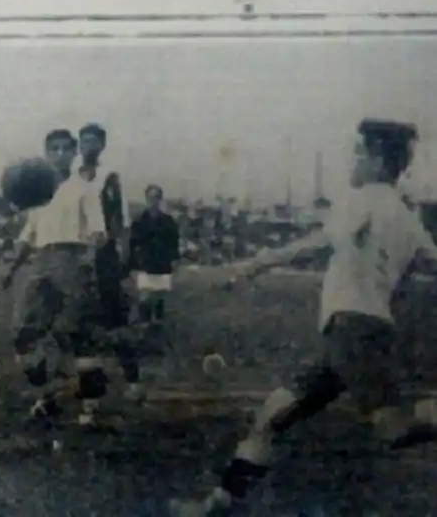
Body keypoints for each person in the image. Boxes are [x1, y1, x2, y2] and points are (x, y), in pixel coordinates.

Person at [169, 119, 437, 516]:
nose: (352, 160)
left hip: (354, 331)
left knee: (394, 430)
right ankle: (218, 504)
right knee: (271, 418)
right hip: (348, 335)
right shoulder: (408, 219)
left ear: (379, 160)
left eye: (359, 152)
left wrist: (252, 265)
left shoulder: (363, 200)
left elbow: (315, 244)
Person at [1, 128, 109, 427]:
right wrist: (11, 269)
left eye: (65, 149)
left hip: (73, 259)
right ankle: (48, 396)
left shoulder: (83, 189)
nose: (60, 155)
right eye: (54, 149)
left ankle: (90, 406)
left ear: (74, 153)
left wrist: (88, 260)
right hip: (41, 263)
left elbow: (98, 232)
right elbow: (27, 236)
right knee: (23, 332)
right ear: (46, 154)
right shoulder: (37, 192)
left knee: (77, 334)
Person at [73, 123, 145, 408]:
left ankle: (133, 380)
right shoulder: (70, 179)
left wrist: (118, 254)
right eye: (82, 141)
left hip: (103, 257)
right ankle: (91, 396)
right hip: (76, 255)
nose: (86, 146)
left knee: (115, 321)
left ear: (101, 146)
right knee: (81, 322)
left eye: (92, 141)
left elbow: (119, 221)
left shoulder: (108, 177)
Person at [128, 184, 181, 360]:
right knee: (144, 301)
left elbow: (174, 244)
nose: (153, 201)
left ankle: (158, 344)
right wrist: (133, 267)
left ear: (160, 200)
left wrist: (174, 260)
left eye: (156, 197)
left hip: (162, 267)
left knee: (158, 302)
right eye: (150, 198)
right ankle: (144, 341)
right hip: (145, 267)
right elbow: (132, 246)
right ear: (146, 199)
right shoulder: (139, 222)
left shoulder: (168, 222)